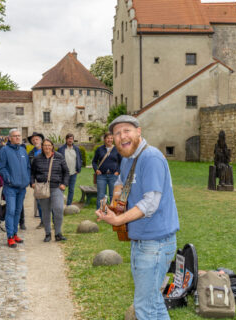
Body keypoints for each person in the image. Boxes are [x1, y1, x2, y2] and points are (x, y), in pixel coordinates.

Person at [95, 115, 179, 320]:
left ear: (138, 132)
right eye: (117, 133)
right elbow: (121, 180)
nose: (122, 136)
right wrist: (115, 204)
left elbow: (151, 202)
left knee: (144, 308)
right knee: (154, 303)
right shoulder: (129, 158)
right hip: (143, 242)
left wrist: (118, 220)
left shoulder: (151, 157)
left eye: (127, 131)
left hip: (155, 244)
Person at [31, 139, 69, 242]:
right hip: (43, 189)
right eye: (45, 145)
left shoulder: (59, 157)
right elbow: (32, 172)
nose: (47, 147)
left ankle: (58, 233)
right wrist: (32, 183)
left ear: (52, 146)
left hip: (56, 187)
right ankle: (47, 233)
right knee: (46, 212)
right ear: (42, 147)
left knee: (58, 209)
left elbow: (66, 172)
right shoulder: (37, 158)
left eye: (49, 145)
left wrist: (64, 184)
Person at [0, 129, 30, 248]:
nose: (17, 138)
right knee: (10, 211)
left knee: (18, 211)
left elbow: (27, 166)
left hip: (22, 187)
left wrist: (27, 179)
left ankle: (15, 233)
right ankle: (10, 236)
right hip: (10, 187)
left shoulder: (22, 150)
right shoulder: (4, 150)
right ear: (9, 138)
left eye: (19, 136)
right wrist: (9, 179)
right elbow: (1, 167)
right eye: (15, 136)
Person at [92, 132, 121, 209]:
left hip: (113, 176)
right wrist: (96, 170)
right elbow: (94, 162)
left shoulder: (117, 149)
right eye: (108, 138)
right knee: (101, 195)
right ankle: (101, 213)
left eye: (111, 138)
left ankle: (112, 214)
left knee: (113, 195)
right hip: (102, 176)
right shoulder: (99, 149)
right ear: (104, 139)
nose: (110, 140)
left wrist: (118, 171)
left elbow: (121, 162)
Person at [58, 133, 82, 205]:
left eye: (71, 139)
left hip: (73, 173)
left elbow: (80, 159)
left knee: (71, 189)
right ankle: (60, 204)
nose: (70, 140)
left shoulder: (76, 149)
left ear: (73, 140)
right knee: (61, 189)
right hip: (63, 173)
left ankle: (69, 204)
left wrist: (78, 169)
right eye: (69, 138)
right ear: (66, 139)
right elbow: (58, 160)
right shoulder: (61, 149)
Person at [27, 132, 44, 229]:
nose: (35, 141)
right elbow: (29, 168)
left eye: (37, 139)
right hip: (37, 181)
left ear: (41, 140)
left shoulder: (47, 149)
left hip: (49, 179)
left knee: (51, 201)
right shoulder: (31, 154)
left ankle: (53, 221)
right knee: (39, 202)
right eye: (33, 140)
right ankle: (43, 221)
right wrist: (31, 181)